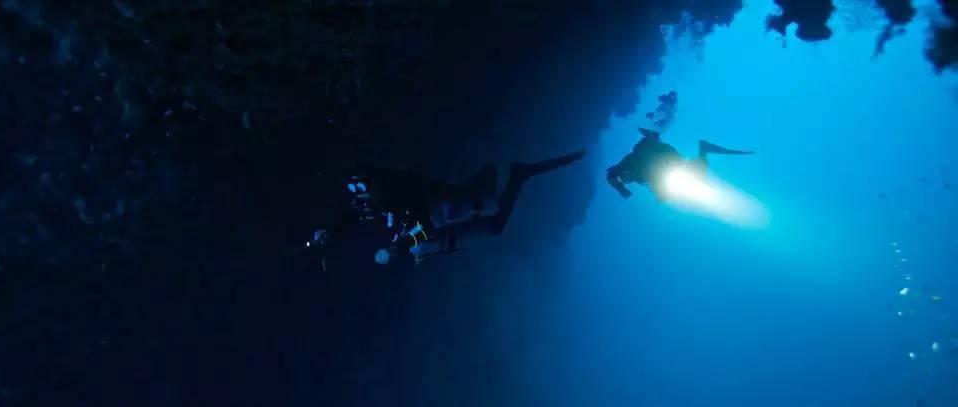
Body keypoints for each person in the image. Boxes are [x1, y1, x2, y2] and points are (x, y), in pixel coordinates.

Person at [307, 151, 585, 265]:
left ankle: (516, 175)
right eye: (352, 189)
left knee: (492, 212)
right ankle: (507, 176)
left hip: (438, 211)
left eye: (361, 187)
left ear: (375, 184)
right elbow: (354, 216)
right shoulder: (370, 200)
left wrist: (398, 248)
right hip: (433, 219)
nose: (358, 195)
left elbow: (424, 227)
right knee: (490, 222)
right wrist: (332, 231)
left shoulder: (397, 194)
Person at [606, 127, 752, 200]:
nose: (628, 176)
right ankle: (703, 150)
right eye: (627, 179)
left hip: (666, 157)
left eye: (626, 175)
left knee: (646, 147)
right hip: (669, 165)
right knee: (695, 177)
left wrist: (620, 188)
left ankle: (703, 150)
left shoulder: (629, 160)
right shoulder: (639, 178)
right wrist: (661, 196)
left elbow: (610, 175)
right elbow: (658, 184)